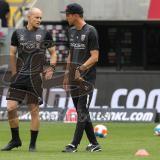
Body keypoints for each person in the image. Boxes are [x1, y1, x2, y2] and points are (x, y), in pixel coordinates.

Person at [1, 8, 57, 152]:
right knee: (11, 108)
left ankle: (32, 145)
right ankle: (15, 140)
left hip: (35, 78)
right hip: (19, 77)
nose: (39, 20)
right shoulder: (18, 33)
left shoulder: (45, 34)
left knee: (34, 111)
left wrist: (51, 68)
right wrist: (14, 73)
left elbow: (53, 53)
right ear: (29, 17)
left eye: (41, 18)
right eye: (36, 17)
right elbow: (12, 53)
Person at [61, 3, 101, 152]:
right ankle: (95, 144)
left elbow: (95, 57)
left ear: (75, 15)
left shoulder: (91, 31)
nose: (66, 17)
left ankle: (73, 145)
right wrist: (67, 74)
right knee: (81, 112)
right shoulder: (71, 31)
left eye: (68, 14)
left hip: (86, 80)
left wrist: (80, 69)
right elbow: (71, 54)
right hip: (73, 78)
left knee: (82, 111)